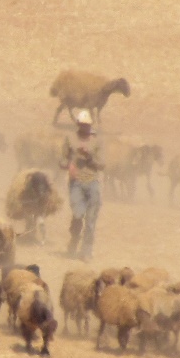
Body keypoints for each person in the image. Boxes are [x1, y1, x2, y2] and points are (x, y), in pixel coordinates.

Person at [64, 111, 103, 260]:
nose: (84, 127)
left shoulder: (97, 141)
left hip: (92, 182)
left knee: (91, 220)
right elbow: (62, 159)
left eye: (87, 125)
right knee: (78, 214)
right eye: (82, 125)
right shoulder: (70, 139)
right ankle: (74, 239)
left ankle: (86, 252)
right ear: (78, 125)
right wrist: (69, 165)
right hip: (76, 183)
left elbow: (102, 165)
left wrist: (89, 157)